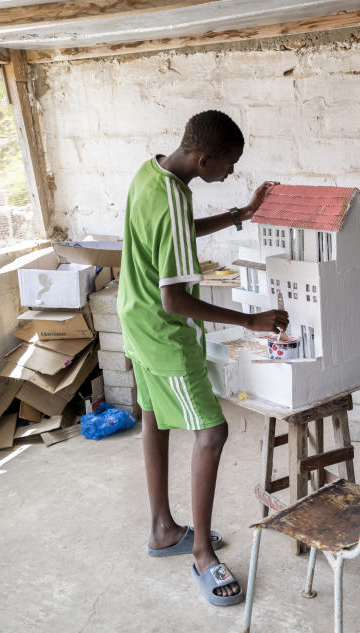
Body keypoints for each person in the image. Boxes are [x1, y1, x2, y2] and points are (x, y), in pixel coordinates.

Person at [116, 110, 288, 606]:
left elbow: (177, 231)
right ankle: (202, 559)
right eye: (230, 165)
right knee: (212, 431)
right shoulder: (173, 196)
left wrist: (241, 215)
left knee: (153, 418)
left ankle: (163, 529)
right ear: (204, 158)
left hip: (134, 316)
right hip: (163, 330)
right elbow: (175, 299)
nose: (231, 173)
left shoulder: (151, 174)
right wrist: (250, 321)